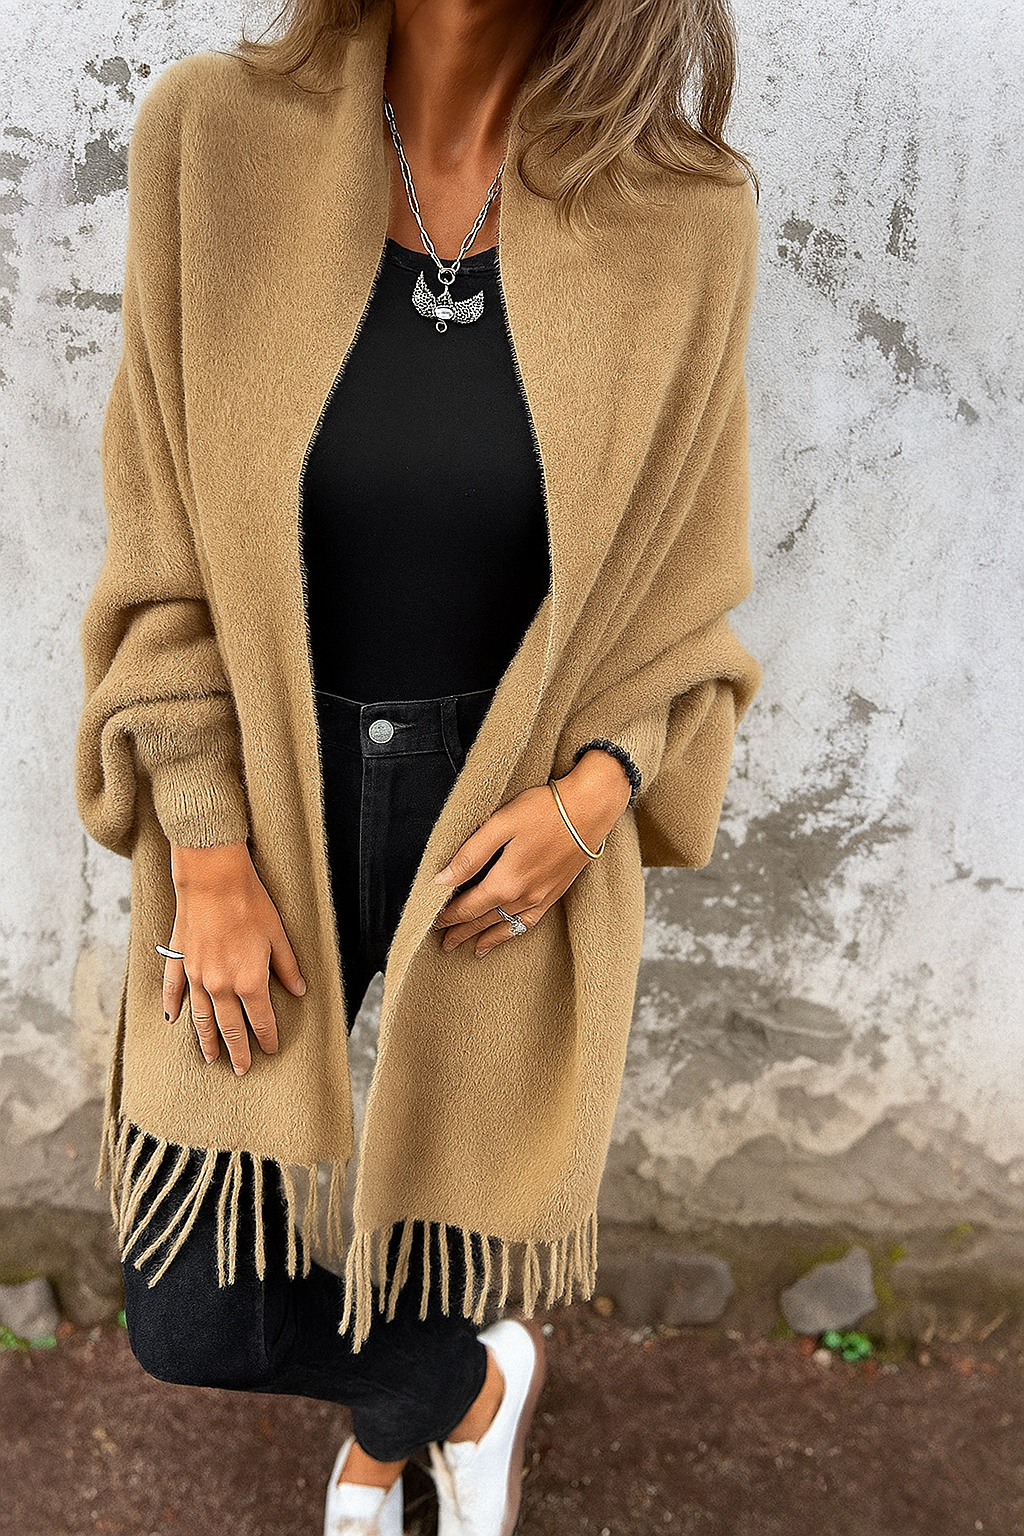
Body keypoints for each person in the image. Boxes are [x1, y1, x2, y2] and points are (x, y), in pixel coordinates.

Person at [73, 0, 762, 1531]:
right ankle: (457, 1391)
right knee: (195, 1315)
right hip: (265, 800)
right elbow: (159, 536)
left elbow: (681, 596)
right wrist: (205, 842)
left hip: (504, 807)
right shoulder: (211, 138)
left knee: (443, 1212)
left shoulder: (686, 215)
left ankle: (392, 1439)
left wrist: (595, 796)